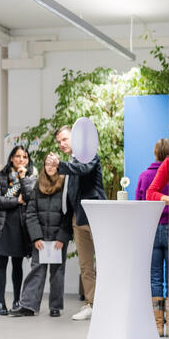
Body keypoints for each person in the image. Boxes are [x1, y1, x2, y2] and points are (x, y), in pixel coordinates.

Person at [47, 125, 105, 321]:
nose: (62, 144)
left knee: (104, 262)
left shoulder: (89, 155)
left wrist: (60, 165)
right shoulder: (71, 161)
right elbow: (70, 195)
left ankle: (107, 304)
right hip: (77, 219)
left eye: (65, 139)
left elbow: (83, 169)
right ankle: (92, 303)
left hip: (95, 216)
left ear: (76, 137)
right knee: (85, 264)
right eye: (59, 142)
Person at [9, 153, 72, 318]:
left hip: (58, 239)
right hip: (41, 239)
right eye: (47, 164)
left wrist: (62, 237)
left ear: (59, 165)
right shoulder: (38, 186)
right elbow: (31, 213)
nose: (50, 167)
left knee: (57, 273)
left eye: (53, 164)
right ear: (44, 167)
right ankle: (28, 306)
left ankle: (55, 306)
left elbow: (68, 213)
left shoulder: (66, 185)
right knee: (36, 270)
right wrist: (36, 237)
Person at [0, 146, 36, 315]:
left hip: (20, 226)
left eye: (24, 157)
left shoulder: (30, 177)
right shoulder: (0, 176)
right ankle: (1, 302)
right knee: (1, 263)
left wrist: (22, 177)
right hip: (3, 225)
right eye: (17, 156)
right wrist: (16, 200)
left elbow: (29, 197)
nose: (21, 159)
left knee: (17, 264)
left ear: (27, 160)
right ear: (11, 158)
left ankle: (16, 300)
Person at [138, 140, 169, 336]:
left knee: (155, 278)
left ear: (155, 152)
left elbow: (140, 203)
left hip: (152, 229)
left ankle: (157, 325)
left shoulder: (144, 176)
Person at [146, 154, 169, 336]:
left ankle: (161, 325)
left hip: (160, 227)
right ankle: (164, 325)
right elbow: (150, 193)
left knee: (158, 278)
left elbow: (149, 194)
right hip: (166, 228)